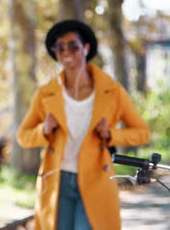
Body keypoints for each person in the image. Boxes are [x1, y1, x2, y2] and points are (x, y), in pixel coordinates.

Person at [16, 20, 150, 230]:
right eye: (59, 47)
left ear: (86, 48)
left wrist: (111, 134)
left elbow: (142, 132)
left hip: (96, 178)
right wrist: (43, 130)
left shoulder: (112, 91)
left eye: (73, 45)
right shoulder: (46, 93)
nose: (66, 51)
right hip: (57, 180)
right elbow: (23, 136)